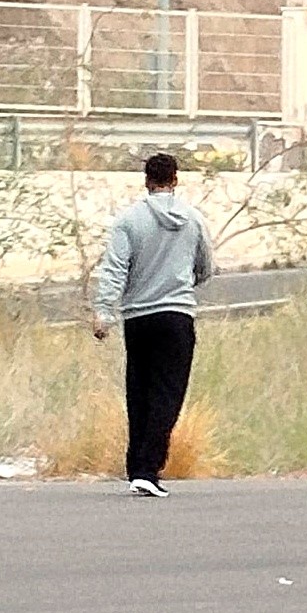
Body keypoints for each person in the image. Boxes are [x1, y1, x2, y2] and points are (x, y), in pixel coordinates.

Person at [91, 152, 215, 498]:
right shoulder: (193, 219)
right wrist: (181, 282)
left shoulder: (128, 220)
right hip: (177, 316)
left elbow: (114, 269)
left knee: (139, 392)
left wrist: (105, 313)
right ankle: (148, 468)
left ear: (146, 181)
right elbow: (206, 268)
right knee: (167, 394)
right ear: (175, 180)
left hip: (138, 318)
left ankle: (137, 468)